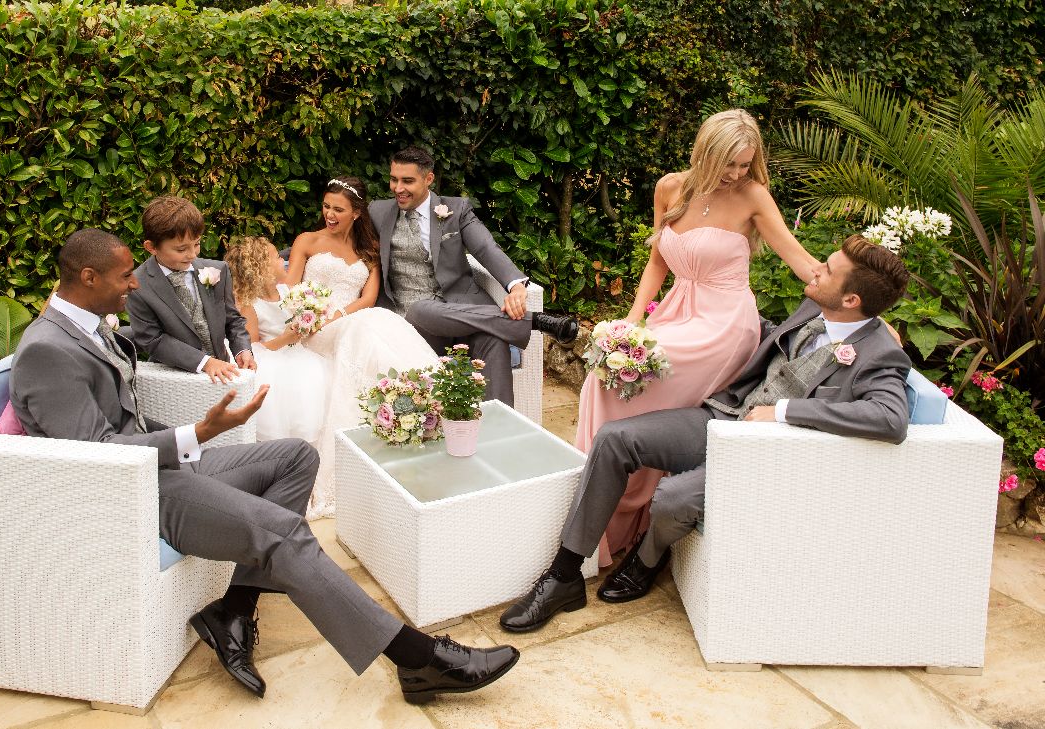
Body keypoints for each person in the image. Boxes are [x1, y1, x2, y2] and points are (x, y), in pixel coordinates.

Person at [10, 229, 519, 703]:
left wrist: (194, 437)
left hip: (158, 468)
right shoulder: (47, 350)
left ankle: (234, 609)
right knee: (283, 532)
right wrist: (196, 434)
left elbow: (128, 418)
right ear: (88, 278)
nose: (135, 283)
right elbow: (98, 452)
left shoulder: (87, 327)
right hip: (133, 492)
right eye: (126, 276)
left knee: (297, 456)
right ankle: (416, 659)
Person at [500, 234, 911, 632]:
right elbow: (762, 331)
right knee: (614, 438)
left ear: (852, 300)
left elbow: (890, 418)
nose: (816, 269)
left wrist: (783, 411)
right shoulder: (816, 306)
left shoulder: (880, 354)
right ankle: (564, 575)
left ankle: (647, 558)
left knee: (672, 499)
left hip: (760, 455)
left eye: (829, 270)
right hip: (723, 417)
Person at [575, 109, 821, 566]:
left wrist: (863, 306)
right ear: (705, 152)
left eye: (745, 164)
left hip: (724, 325)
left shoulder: (753, 196)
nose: (737, 173)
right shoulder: (670, 188)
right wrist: (631, 323)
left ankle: (635, 511)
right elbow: (657, 262)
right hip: (676, 312)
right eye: (729, 163)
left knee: (643, 382)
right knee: (603, 377)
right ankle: (600, 505)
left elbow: (802, 261)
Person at [369, 146, 579, 407]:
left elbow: (486, 248)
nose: (398, 188)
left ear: (428, 179)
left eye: (407, 181)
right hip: (415, 323)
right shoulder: (377, 213)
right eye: (394, 179)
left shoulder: (455, 209)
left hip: (463, 314)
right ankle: (534, 321)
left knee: (494, 339)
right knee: (420, 309)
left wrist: (516, 285)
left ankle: (500, 425)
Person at [286, 176, 441, 518]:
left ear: (356, 213)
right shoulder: (307, 241)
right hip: (313, 329)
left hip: (348, 320)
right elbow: (288, 289)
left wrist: (338, 315)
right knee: (368, 327)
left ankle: (419, 404)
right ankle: (409, 407)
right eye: (326, 206)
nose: (329, 214)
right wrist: (309, 315)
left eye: (338, 209)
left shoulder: (368, 249)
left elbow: (368, 298)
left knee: (379, 320)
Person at [127, 196, 255, 383]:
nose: (192, 254)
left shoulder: (218, 270)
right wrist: (205, 362)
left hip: (222, 374)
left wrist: (242, 349)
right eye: (181, 249)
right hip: (174, 379)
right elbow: (152, 340)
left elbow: (232, 320)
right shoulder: (138, 285)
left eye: (196, 244)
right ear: (151, 247)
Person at [225, 236, 330, 443]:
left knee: (313, 382)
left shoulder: (287, 291)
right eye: (276, 257)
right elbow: (252, 347)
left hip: (297, 352)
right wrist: (284, 339)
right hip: (271, 358)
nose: (283, 260)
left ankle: (305, 445)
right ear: (262, 269)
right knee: (293, 388)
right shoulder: (251, 305)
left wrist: (310, 321)